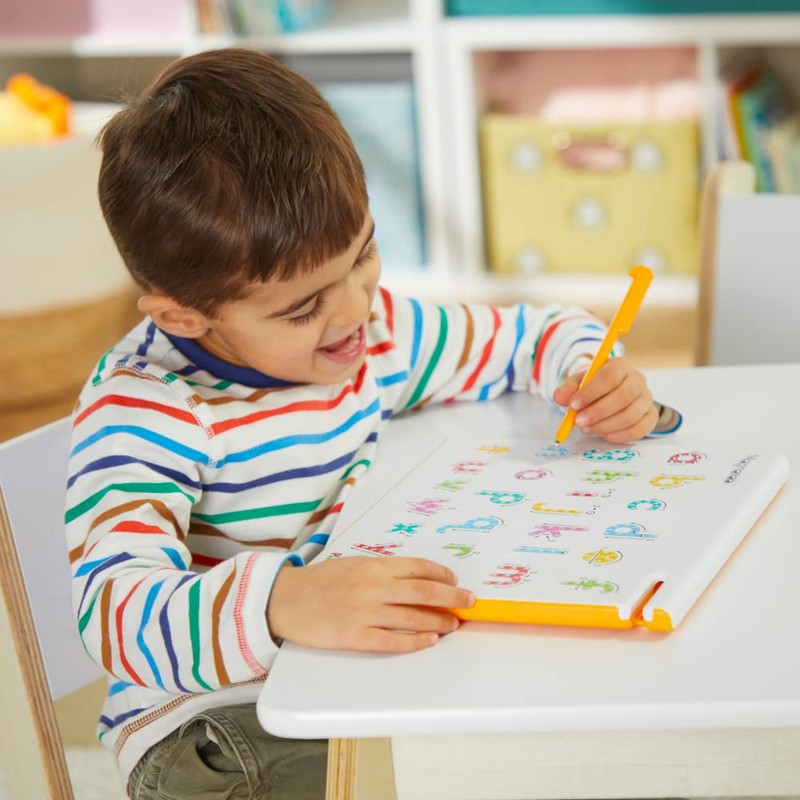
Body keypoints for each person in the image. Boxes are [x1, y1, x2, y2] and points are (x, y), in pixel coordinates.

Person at [65, 47, 681, 800]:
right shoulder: (149, 407)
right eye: (302, 307)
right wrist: (284, 601)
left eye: (365, 256)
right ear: (184, 316)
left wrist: (591, 370)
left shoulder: (372, 335)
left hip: (346, 683)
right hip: (214, 725)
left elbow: (524, 337)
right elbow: (112, 610)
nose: (356, 309)